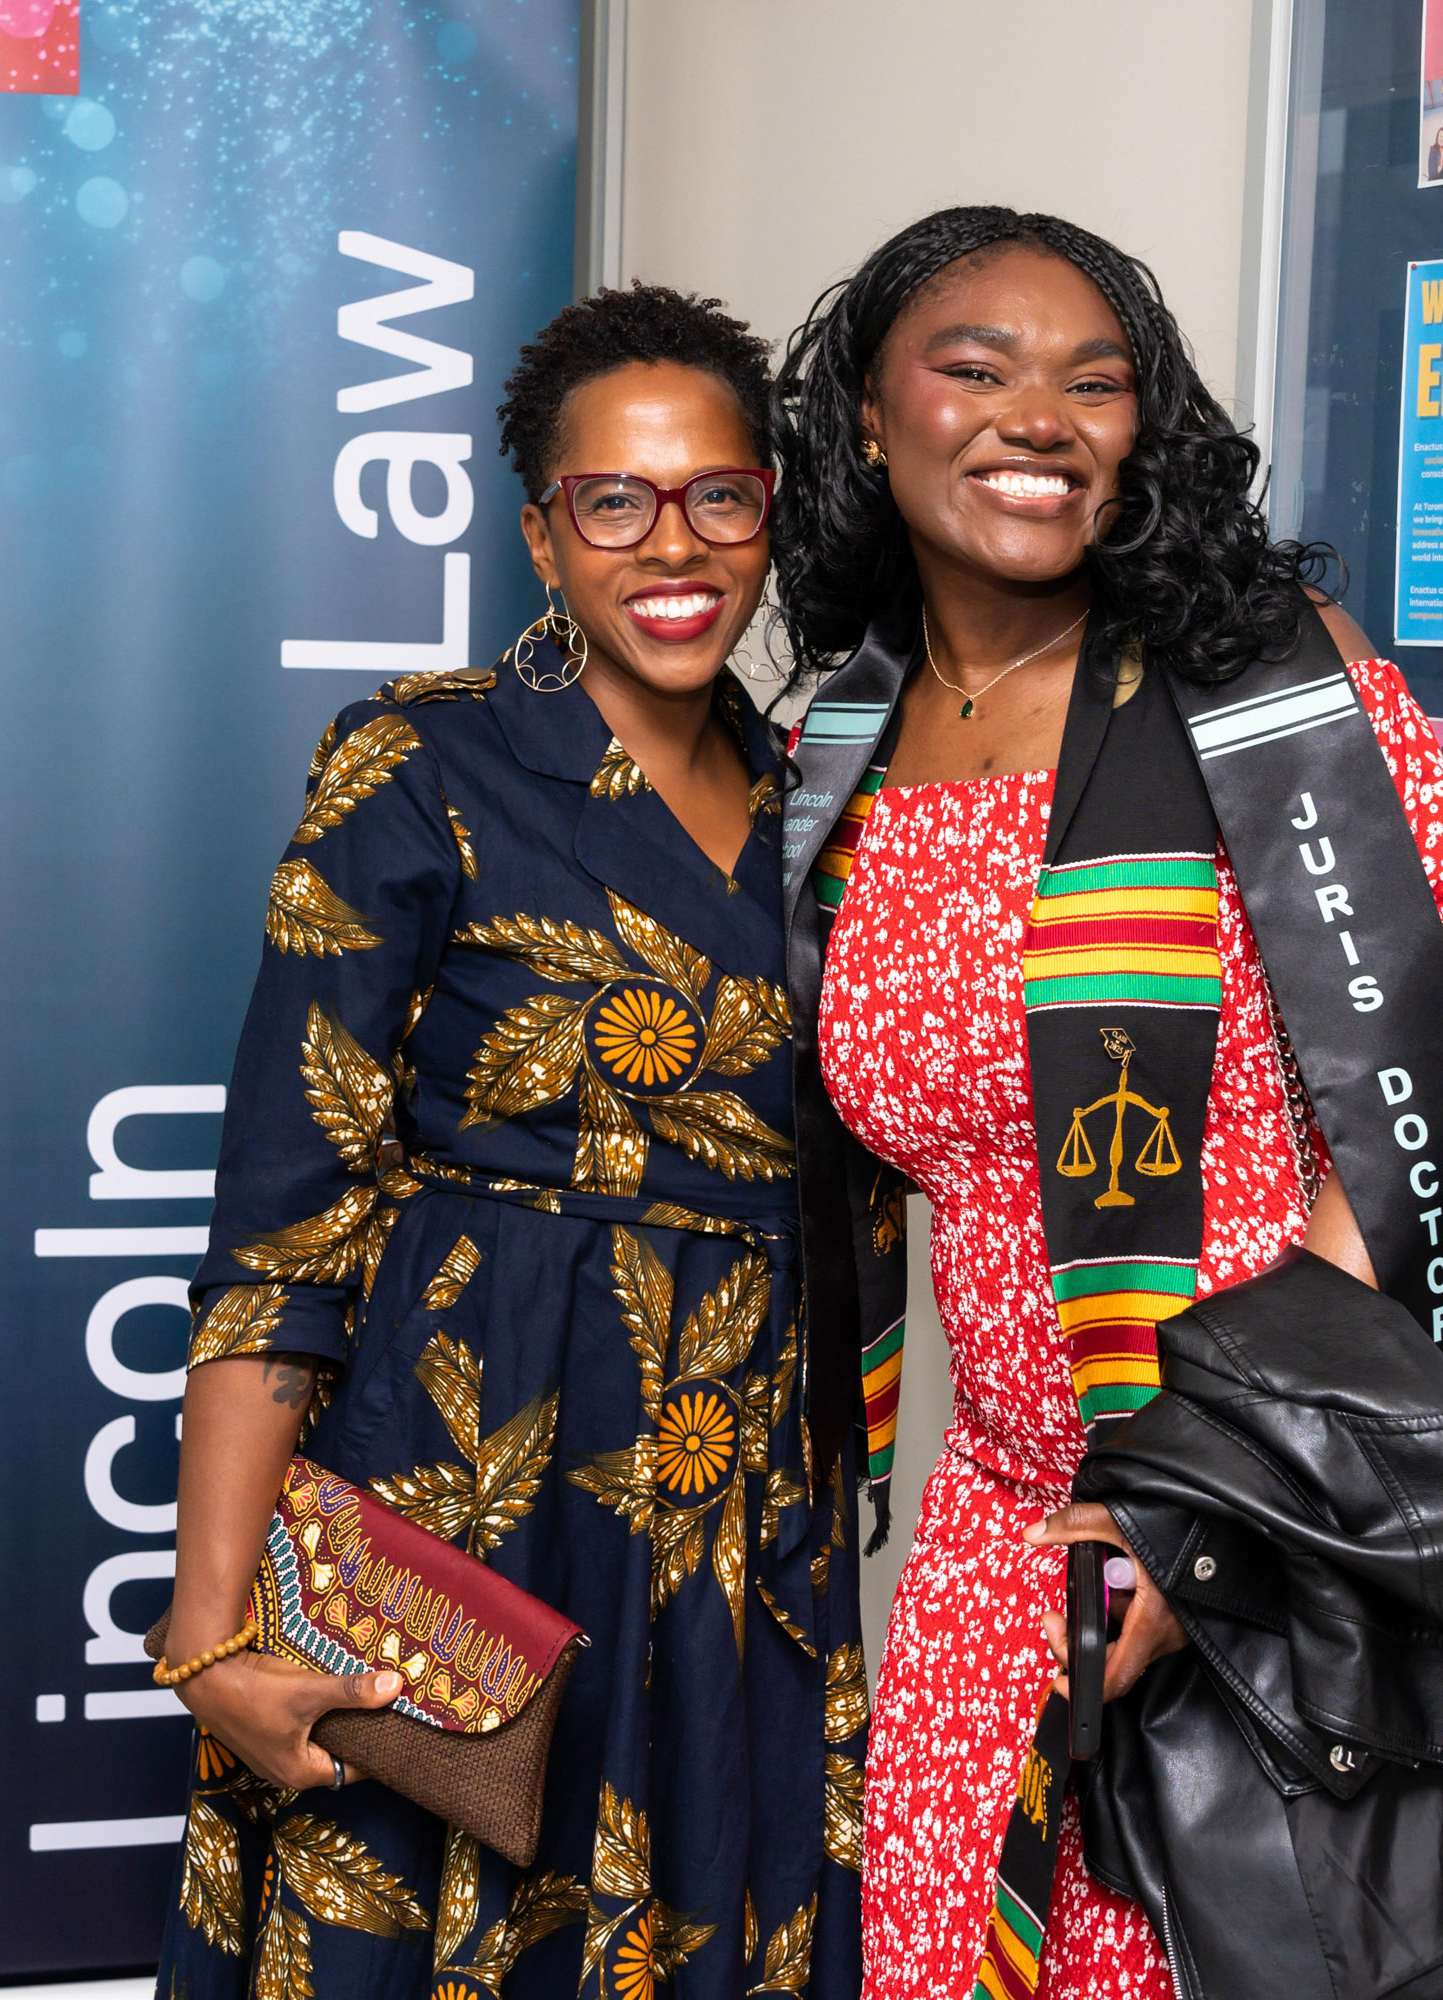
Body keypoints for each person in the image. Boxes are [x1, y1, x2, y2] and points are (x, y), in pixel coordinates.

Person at [772, 208, 1443, 2000]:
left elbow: (1406, 1144)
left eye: (1092, 383)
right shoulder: (847, 740)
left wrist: (1205, 1514)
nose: (1038, 416)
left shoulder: (1268, 686)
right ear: (868, 412)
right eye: (975, 368)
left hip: (1255, 1521)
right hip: (995, 1530)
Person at [151, 287, 860, 2000]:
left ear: (769, 511)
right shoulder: (420, 762)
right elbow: (287, 1215)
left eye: (718, 494)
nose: (671, 544)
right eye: (613, 500)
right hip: (470, 1477)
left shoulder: (824, 800)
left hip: (739, 1502)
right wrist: (208, 1626)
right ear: (543, 534)